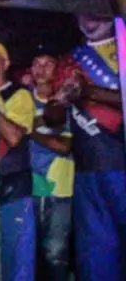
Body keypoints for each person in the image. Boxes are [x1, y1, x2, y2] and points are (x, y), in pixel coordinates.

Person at [55, 14, 126, 281]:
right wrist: (56, 105)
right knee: (95, 259)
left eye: (94, 11)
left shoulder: (123, 48)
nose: (88, 19)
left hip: (120, 164)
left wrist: (88, 92)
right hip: (87, 170)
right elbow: (55, 117)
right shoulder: (70, 60)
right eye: (82, 13)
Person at [27, 53, 74, 281]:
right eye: (37, 63)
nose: (41, 69)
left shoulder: (67, 103)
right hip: (27, 187)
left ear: (57, 70)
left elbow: (64, 146)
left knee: (55, 252)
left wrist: (30, 130)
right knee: (29, 251)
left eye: (48, 64)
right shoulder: (22, 98)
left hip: (59, 187)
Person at [0, 42, 36, 281]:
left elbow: (14, 137)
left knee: (17, 262)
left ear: (6, 63)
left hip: (13, 191)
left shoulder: (18, 95)